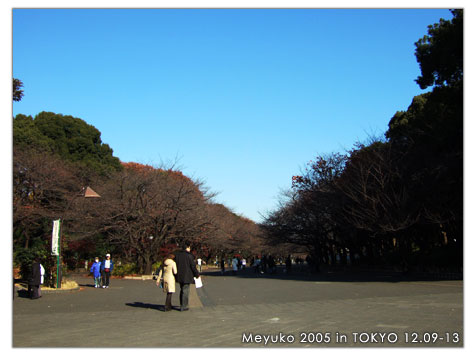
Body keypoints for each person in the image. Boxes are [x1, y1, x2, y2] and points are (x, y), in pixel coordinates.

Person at [175, 243, 200, 311]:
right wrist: (196, 274)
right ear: (187, 248)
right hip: (187, 275)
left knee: (182, 289)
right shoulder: (189, 256)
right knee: (185, 290)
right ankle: (184, 306)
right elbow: (193, 266)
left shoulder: (177, 255)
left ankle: (182, 304)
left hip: (179, 275)